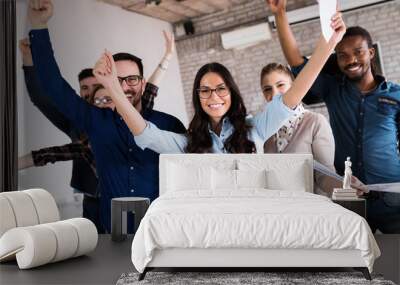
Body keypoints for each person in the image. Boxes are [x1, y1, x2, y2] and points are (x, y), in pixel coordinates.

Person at [93, 10, 346, 156]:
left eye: (220, 89)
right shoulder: (188, 143)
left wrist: (329, 44)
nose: (213, 96)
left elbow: (293, 95)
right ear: (198, 97)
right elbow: (147, 134)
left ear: (232, 93)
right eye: (205, 90)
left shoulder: (254, 129)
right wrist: (113, 89)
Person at [27, 0, 186, 232]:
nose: (123, 87)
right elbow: (53, 87)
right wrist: (39, 27)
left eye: (131, 79)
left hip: (161, 227)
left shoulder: (168, 124)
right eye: (115, 80)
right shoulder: (96, 120)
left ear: (143, 84)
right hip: (113, 231)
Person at [268, 0, 400, 233]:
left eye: (358, 52)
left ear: (370, 52)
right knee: (355, 264)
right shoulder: (333, 90)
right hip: (351, 198)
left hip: (393, 200)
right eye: (342, 55)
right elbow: (297, 62)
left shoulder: (395, 95)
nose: (351, 60)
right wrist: (280, 14)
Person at [261, 63, 365, 196]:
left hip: (312, 210)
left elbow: (325, 175)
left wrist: (344, 186)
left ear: (294, 85)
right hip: (280, 210)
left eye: (280, 85)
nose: (274, 93)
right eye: (267, 89)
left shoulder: (315, 122)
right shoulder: (265, 132)